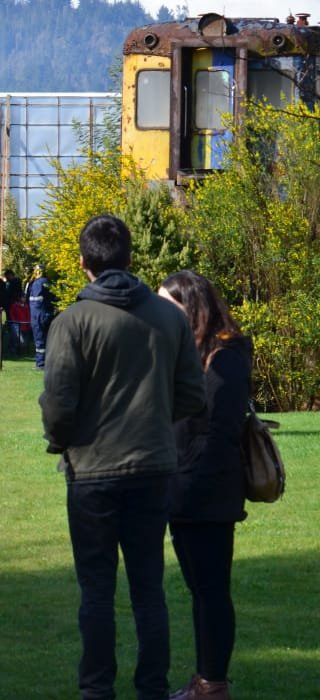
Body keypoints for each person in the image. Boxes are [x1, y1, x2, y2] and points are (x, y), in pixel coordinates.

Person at [39, 215, 205, 700]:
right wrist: (153, 419)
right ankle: (152, 689)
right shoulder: (170, 318)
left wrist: (63, 439)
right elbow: (192, 395)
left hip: (91, 471)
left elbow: (59, 404)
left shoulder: (72, 322)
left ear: (83, 263)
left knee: (96, 591)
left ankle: (97, 690)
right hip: (154, 468)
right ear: (130, 259)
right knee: (148, 588)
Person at [158, 271, 251, 700]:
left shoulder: (225, 355)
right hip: (184, 487)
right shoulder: (189, 350)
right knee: (200, 589)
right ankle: (205, 679)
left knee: (211, 590)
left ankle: (213, 683)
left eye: (167, 304)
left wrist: (189, 482)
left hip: (206, 491)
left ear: (190, 306)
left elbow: (220, 430)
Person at [26, 263, 54, 369]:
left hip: (37, 316)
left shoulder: (35, 284)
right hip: (45, 315)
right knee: (46, 339)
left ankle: (41, 364)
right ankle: (46, 362)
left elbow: (30, 300)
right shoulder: (47, 282)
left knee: (39, 341)